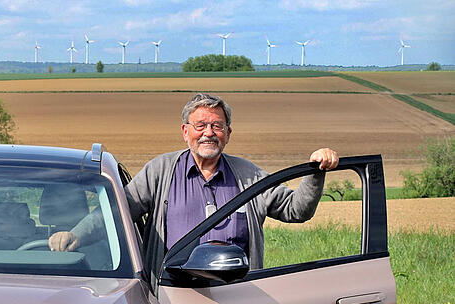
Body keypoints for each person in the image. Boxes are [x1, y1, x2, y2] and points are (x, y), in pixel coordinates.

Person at [49, 92, 338, 288]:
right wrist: (76, 233)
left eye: (217, 125)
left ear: (228, 133)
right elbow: (117, 213)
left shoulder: (248, 174)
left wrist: (315, 171)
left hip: (237, 295)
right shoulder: (160, 170)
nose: (209, 132)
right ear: (185, 131)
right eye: (201, 125)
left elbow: (295, 210)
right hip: (172, 295)